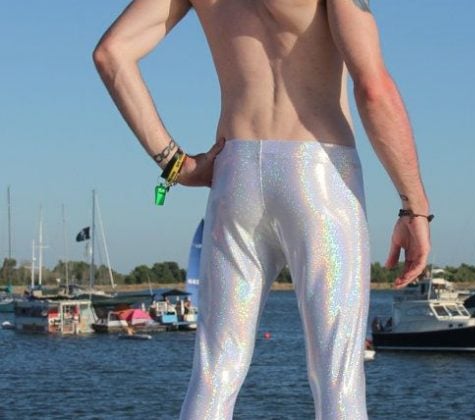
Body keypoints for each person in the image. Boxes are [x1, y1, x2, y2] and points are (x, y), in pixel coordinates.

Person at [93, 0, 431, 418]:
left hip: (235, 173)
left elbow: (111, 53)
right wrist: (414, 206)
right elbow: (374, 89)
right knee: (337, 378)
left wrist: (175, 163)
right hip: (320, 174)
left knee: (215, 373)